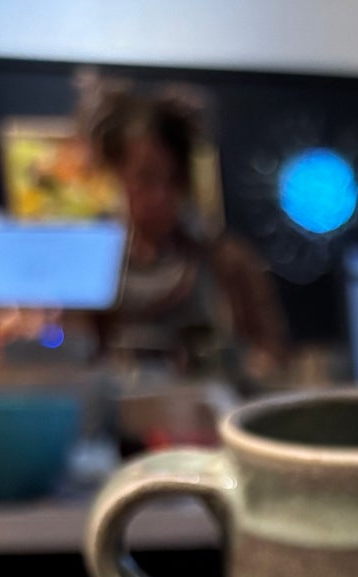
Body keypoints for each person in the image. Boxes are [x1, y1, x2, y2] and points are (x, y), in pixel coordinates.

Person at [82, 80, 287, 378]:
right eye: (146, 178)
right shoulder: (91, 263)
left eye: (173, 180)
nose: (161, 196)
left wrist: (252, 366)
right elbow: (69, 357)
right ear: (118, 174)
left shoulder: (227, 260)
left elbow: (272, 352)